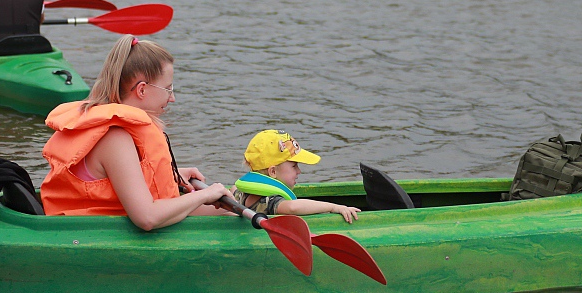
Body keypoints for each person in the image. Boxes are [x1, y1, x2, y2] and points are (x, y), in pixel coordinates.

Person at [38, 35, 229, 227]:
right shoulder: (114, 138)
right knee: (221, 210)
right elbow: (147, 218)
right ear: (142, 90)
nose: (172, 98)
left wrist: (170, 175)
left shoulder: (112, 128)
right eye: (168, 89)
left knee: (229, 211)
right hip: (85, 235)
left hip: (104, 225)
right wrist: (206, 194)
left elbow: (115, 178)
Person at [231, 130, 361, 223]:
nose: (299, 171)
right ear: (273, 172)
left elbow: (231, 190)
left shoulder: (239, 193)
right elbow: (293, 207)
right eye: (294, 166)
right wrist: (334, 207)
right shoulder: (271, 202)